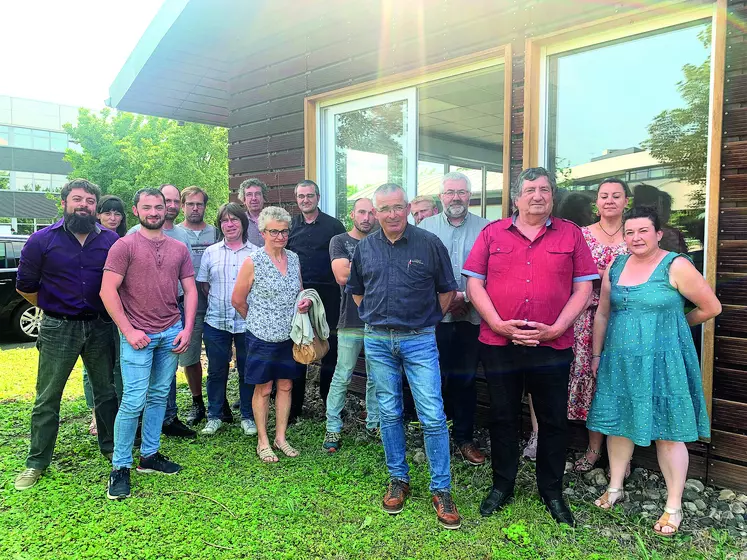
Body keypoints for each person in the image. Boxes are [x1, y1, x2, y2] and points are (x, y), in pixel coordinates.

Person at [463, 167, 598, 527]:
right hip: (499, 343)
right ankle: (502, 485)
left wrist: (556, 329)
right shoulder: (492, 233)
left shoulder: (571, 235)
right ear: (516, 198)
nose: (537, 195)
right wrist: (495, 322)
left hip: (552, 346)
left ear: (552, 196)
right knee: (503, 416)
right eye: (530, 190)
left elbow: (583, 289)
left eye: (544, 190)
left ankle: (551, 490)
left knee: (553, 420)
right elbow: (474, 284)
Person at [586, 206, 720, 536]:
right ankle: (615, 487)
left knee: (669, 430)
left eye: (643, 231)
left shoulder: (675, 265)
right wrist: (596, 353)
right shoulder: (615, 267)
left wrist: (672, 327)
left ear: (658, 233)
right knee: (619, 422)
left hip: (664, 361)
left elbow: (710, 307)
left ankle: (673, 507)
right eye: (629, 233)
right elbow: (602, 314)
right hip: (620, 360)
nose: (635, 238)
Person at [347, 183, 461, 530]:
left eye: (398, 207)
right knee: (390, 411)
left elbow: (448, 291)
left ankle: (441, 489)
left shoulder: (429, 244)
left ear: (408, 208)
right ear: (375, 212)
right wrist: (376, 319)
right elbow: (356, 292)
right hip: (378, 340)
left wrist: (426, 322)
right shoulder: (365, 247)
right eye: (384, 209)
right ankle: (399, 479)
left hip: (419, 341)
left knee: (431, 413)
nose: (392, 214)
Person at [14, 179, 120, 491]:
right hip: (58, 327)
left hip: (100, 325)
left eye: (89, 200)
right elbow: (25, 285)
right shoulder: (41, 240)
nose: (83, 205)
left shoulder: (111, 241)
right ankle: (36, 462)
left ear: (95, 207)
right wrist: (53, 307)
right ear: (64, 203)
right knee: (48, 396)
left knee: (106, 391)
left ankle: (110, 447)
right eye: (77, 199)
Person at [101, 187, 197, 500]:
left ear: (167, 209)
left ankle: (150, 455)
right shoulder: (124, 246)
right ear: (137, 209)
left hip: (171, 331)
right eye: (148, 207)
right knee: (133, 400)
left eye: (159, 206)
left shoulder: (178, 248)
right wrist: (128, 331)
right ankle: (120, 467)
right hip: (138, 336)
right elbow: (107, 291)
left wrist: (187, 328)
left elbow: (191, 290)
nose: (154, 212)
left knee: (158, 396)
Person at [419, 172, 489, 466]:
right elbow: (419, 273)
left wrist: (464, 298)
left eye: (461, 192)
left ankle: (463, 437)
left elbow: (493, 272)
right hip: (435, 319)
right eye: (450, 192)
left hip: (472, 319)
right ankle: (435, 435)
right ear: (441, 197)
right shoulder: (424, 228)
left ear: (469, 196)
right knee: (432, 378)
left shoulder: (487, 228)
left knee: (465, 378)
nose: (456, 197)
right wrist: (446, 302)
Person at [231, 206, 309, 463]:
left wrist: (303, 303)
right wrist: (257, 321)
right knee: (263, 389)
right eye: (274, 232)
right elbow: (238, 300)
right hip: (261, 336)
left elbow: (299, 290)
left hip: (289, 336)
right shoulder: (253, 261)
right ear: (263, 232)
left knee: (286, 386)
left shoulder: (295, 258)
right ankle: (263, 440)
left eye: (284, 231)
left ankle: (281, 437)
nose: (280, 236)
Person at [568, 179, 630, 473]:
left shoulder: (634, 233)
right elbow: (570, 273)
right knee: (591, 380)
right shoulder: (581, 235)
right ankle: (593, 449)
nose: (609, 201)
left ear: (625, 201)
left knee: (620, 381)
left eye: (616, 196)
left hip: (623, 316)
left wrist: (605, 275)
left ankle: (622, 456)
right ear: (596, 202)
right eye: (604, 196)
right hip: (586, 316)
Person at [128, 183, 195, 438]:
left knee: (168, 369)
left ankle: (168, 417)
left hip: (174, 306)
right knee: (142, 370)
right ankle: (139, 422)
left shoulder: (182, 236)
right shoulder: (134, 234)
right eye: (166, 201)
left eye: (174, 201)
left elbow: (188, 280)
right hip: (142, 312)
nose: (170, 206)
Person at [322, 198, 380, 453]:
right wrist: (377, 273)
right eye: (362, 212)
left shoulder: (381, 241)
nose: (366, 217)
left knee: (376, 377)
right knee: (343, 374)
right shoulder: (340, 241)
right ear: (353, 214)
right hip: (351, 320)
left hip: (379, 321)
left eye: (371, 213)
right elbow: (343, 276)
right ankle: (333, 426)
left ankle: (374, 423)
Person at [197, 203, 259, 436]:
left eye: (234, 220)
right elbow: (204, 286)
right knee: (216, 370)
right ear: (220, 224)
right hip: (216, 322)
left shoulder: (255, 253)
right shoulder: (210, 252)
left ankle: (248, 416)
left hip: (247, 322)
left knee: (247, 369)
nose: (229, 224)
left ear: (243, 223)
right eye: (224, 220)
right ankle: (214, 415)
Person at [287, 179, 345, 421]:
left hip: (328, 297)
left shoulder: (334, 226)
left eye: (309, 195)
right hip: (298, 296)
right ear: (297, 199)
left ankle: (327, 405)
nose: (305, 200)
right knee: (299, 345)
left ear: (317, 198)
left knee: (329, 350)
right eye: (301, 196)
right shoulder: (289, 226)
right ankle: (294, 408)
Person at [83, 194, 127, 436]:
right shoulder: (89, 240)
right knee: (94, 366)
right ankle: (95, 415)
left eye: (117, 213)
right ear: (97, 214)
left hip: (122, 313)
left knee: (120, 364)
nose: (113, 217)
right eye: (107, 212)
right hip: (94, 313)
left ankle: (121, 410)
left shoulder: (127, 240)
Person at [176, 185, 219, 426]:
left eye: (199, 204)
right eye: (190, 204)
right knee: (189, 356)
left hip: (213, 303)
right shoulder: (174, 233)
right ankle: (197, 401)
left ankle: (218, 401)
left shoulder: (215, 233)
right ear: (183, 206)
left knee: (217, 355)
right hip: (184, 305)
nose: (195, 208)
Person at [238, 177, 266, 247]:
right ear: (244, 200)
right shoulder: (239, 221)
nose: (254, 198)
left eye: (258, 194)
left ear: (264, 198)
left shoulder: (273, 219)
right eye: (249, 194)